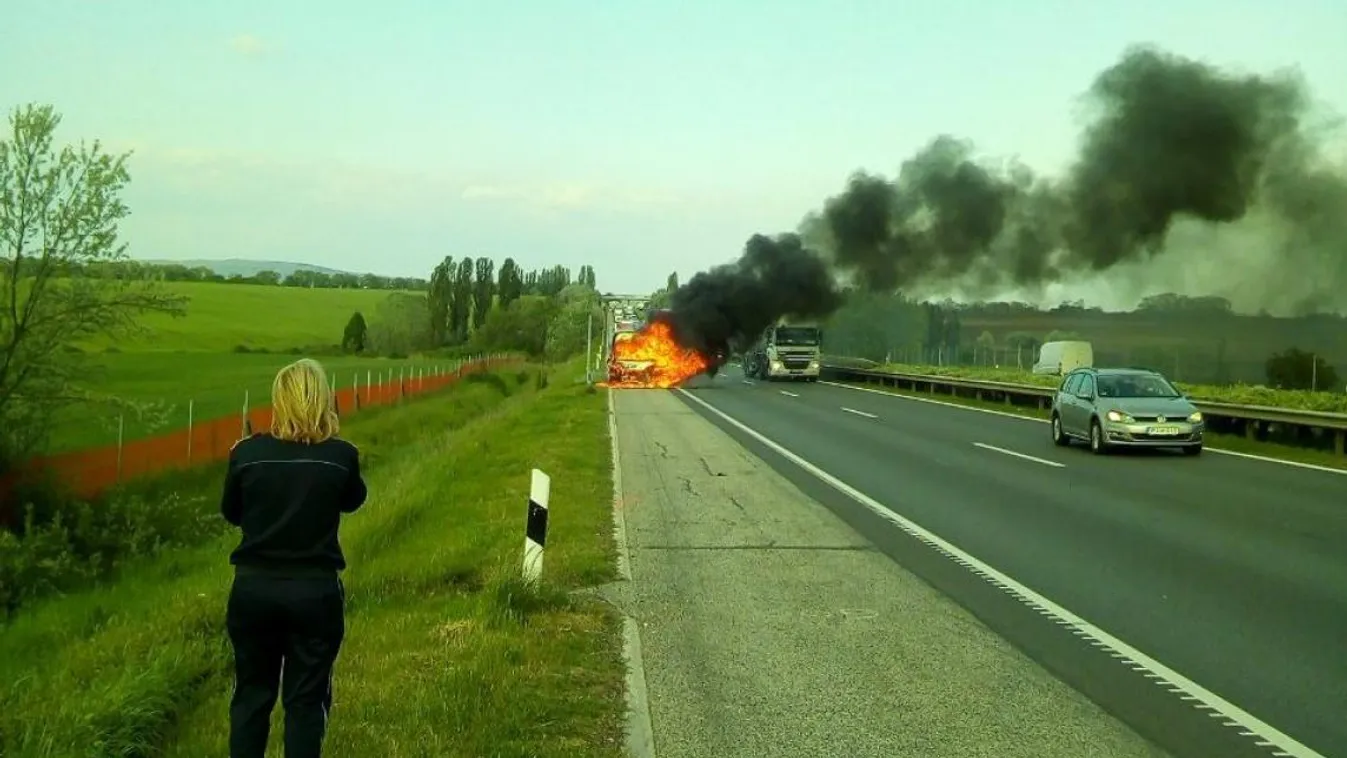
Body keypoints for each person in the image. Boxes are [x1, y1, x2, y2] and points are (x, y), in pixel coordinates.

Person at [220, 358, 367, 758]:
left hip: (254, 589)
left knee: (252, 695)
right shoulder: (340, 456)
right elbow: (354, 500)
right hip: (314, 591)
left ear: (279, 400)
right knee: (305, 702)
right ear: (324, 400)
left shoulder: (247, 454)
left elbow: (232, 511)